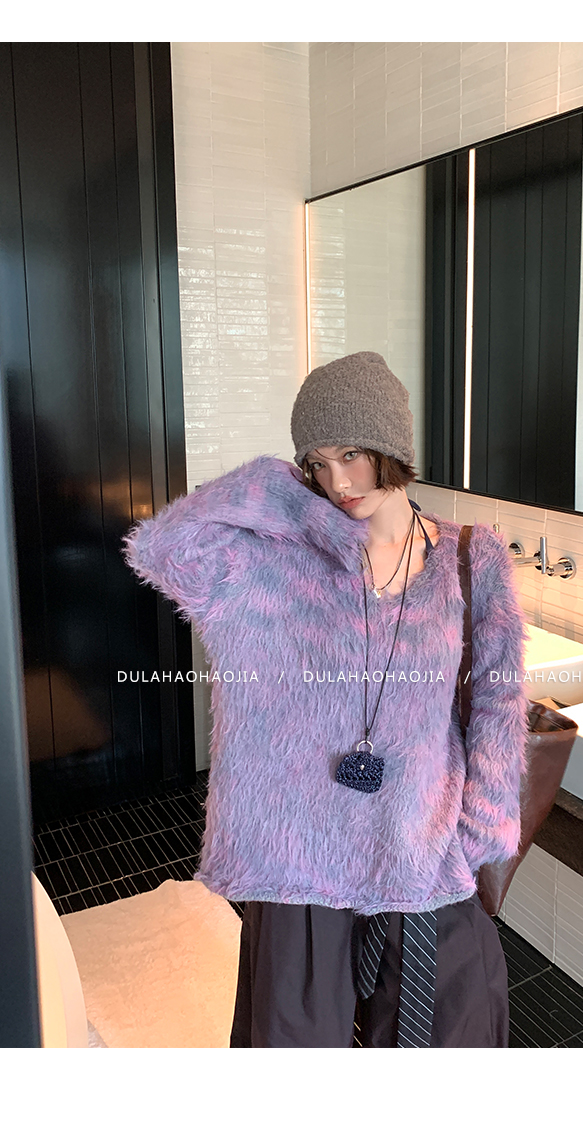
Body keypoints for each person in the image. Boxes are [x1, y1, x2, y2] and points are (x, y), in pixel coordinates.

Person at [122, 351, 528, 1048]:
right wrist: (274, 488)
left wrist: (479, 827)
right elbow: (162, 548)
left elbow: (499, 698)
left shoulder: (470, 557)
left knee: (450, 1036)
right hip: (299, 857)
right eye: (316, 463)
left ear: (392, 445)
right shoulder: (279, 559)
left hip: (419, 844)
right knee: (294, 1050)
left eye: (352, 454)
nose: (338, 482)